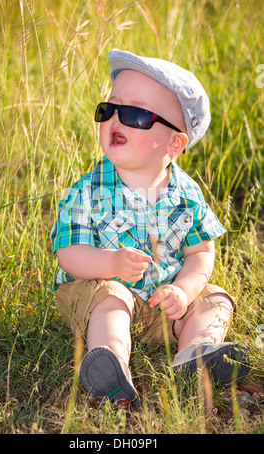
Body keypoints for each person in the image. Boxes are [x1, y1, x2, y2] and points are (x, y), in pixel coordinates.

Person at [50, 49, 250, 410]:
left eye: (135, 115)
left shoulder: (186, 194)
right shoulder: (87, 190)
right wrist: (111, 263)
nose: (116, 120)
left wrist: (184, 292)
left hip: (162, 310)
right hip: (96, 297)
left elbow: (201, 253)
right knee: (113, 298)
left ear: (175, 143)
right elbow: (68, 253)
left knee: (216, 299)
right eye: (108, 109)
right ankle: (109, 362)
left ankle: (196, 353)